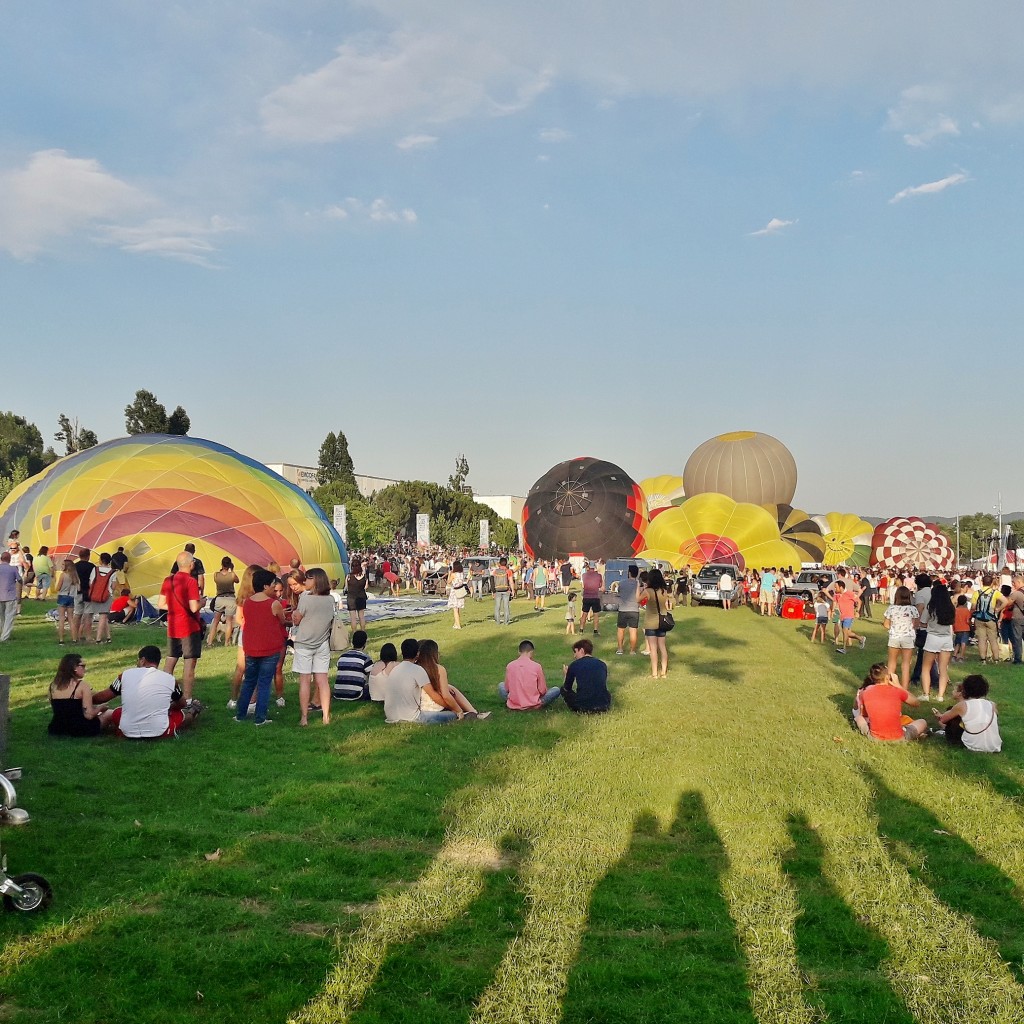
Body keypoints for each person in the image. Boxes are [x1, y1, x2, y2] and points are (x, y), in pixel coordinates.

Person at [97, 645, 200, 739]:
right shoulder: (169, 679)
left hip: (127, 732)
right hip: (160, 732)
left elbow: (104, 696)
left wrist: (89, 699)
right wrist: (168, 707)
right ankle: (193, 711)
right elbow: (182, 703)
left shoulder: (125, 675)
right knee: (179, 714)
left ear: (142, 660)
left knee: (118, 712)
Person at [235, 568, 286, 725]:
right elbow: (282, 621)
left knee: (249, 681)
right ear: (265, 586)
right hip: (269, 649)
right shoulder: (274, 604)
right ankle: (260, 717)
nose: (274, 587)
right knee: (264, 683)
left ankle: (240, 714)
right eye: (272, 584)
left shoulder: (247, 602)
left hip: (251, 648)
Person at [292, 567, 335, 725]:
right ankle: (326, 716)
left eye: (308, 578)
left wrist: (294, 614)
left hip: (304, 643)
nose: (305, 581)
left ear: (315, 580)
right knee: (323, 680)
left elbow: (297, 619)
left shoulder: (305, 598)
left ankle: (304, 717)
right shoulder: (330, 599)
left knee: (305, 681)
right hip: (322, 643)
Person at [161, 551, 204, 705]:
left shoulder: (168, 580)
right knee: (189, 663)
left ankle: (163, 694)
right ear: (191, 564)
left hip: (173, 626)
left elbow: (161, 604)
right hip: (189, 627)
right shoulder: (191, 581)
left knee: (171, 659)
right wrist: (202, 603)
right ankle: (187, 698)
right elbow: (193, 607)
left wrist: (175, 607)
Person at [383, 637, 457, 725]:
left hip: (390, 716)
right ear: (418, 654)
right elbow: (433, 695)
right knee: (452, 715)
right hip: (411, 717)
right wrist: (452, 708)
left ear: (402, 653)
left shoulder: (395, 669)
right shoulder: (417, 670)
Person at [853, 663, 928, 742]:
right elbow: (916, 702)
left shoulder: (864, 692)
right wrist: (899, 686)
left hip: (875, 738)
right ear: (887, 677)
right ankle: (918, 734)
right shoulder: (897, 691)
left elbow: (863, 714)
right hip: (899, 737)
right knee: (922, 722)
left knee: (859, 718)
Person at [416, 639, 488, 719]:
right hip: (436, 709)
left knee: (450, 687)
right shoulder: (438, 669)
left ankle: (473, 712)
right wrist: (457, 710)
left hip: (419, 708)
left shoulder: (415, 669)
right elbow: (446, 696)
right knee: (451, 691)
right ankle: (474, 713)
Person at [932, 675, 1002, 752]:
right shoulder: (992, 704)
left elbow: (943, 719)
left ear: (965, 689)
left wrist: (939, 716)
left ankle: (947, 734)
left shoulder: (963, 705)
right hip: (994, 745)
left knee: (953, 716)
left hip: (972, 744)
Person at [47, 653, 110, 737]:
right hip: (81, 728)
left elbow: (63, 709)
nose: (85, 669)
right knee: (109, 713)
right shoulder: (82, 685)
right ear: (74, 668)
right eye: (82, 666)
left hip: (57, 728)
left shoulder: (52, 686)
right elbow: (89, 715)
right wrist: (101, 707)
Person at [919, 582, 955, 702]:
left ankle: (926, 694)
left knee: (926, 668)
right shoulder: (950, 608)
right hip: (946, 639)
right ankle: (940, 696)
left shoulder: (931, 607)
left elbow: (923, 622)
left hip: (933, 637)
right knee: (943, 669)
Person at [499, 639, 560, 709]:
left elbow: (507, 688)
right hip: (533, 704)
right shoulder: (537, 666)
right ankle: (534, 704)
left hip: (514, 703)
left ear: (519, 651)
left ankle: (512, 702)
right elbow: (542, 690)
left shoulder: (510, 666)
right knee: (556, 690)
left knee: (501, 685)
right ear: (531, 652)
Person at [884, 586, 920, 691]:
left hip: (894, 637)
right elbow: (916, 624)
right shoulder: (913, 609)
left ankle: (889, 686)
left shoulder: (891, 608)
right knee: (906, 665)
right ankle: (904, 690)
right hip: (907, 637)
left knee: (891, 663)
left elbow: (886, 624)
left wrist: (893, 628)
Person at [562, 638, 611, 714]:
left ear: (581, 650)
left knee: (563, 690)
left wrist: (566, 675)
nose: (574, 656)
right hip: (604, 705)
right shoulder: (602, 664)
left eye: (575, 652)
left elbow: (567, 687)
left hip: (583, 706)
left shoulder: (575, 665)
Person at [641, 568, 673, 678]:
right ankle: (663, 672)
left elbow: (638, 600)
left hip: (651, 622)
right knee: (662, 647)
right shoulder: (664, 591)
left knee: (653, 649)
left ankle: (654, 673)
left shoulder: (648, 591)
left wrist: (639, 588)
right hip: (662, 621)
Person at [83, 551, 115, 643]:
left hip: (95, 595)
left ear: (101, 560)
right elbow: (113, 586)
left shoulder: (95, 569)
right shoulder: (113, 572)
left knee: (102, 617)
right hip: (106, 596)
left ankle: (108, 637)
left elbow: (91, 582)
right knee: (103, 616)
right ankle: (98, 639)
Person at [207, 557, 239, 647]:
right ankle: (227, 642)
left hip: (220, 598)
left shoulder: (216, 575)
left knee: (216, 621)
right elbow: (237, 581)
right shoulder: (232, 575)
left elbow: (216, 580)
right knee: (229, 622)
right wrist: (231, 570)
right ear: (230, 564)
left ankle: (210, 642)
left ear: (221, 564)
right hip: (230, 598)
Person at [971, 573, 1002, 665]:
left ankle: (983, 659)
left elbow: (973, 607)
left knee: (981, 640)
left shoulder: (977, 593)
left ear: (982, 582)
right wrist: (998, 609)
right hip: (991, 618)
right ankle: (996, 659)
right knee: (993, 640)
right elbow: (1005, 601)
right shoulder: (995, 592)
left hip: (979, 618)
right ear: (992, 583)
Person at [334, 629, 373, 701]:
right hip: (356, 694)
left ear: (352, 642)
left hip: (338, 693)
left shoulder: (342, 657)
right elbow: (371, 676)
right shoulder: (365, 658)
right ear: (365, 644)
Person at [831, 580, 865, 654]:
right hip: (842, 616)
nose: (835, 589)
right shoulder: (837, 595)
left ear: (841, 587)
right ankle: (861, 638)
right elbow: (834, 602)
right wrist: (833, 611)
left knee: (844, 631)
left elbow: (859, 601)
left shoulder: (849, 593)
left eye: (836, 587)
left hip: (849, 615)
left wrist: (857, 611)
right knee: (848, 633)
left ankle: (844, 648)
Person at [71, 547, 96, 643]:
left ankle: (75, 636)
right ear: (88, 556)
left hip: (77, 592)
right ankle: (88, 636)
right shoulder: (92, 567)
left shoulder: (74, 566)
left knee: (77, 614)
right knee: (88, 615)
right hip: (89, 592)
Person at [615, 564, 641, 655]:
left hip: (623, 609)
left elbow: (619, 592)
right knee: (633, 631)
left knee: (620, 630)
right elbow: (638, 597)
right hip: (634, 609)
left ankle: (620, 649)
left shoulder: (622, 583)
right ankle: (632, 650)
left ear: (629, 573)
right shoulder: (638, 584)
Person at [55, 558, 79, 643]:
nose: (61, 566)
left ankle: (61, 639)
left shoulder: (63, 575)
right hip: (71, 597)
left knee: (61, 618)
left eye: (63, 565)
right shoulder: (75, 576)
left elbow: (58, 588)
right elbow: (78, 588)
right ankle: (74, 639)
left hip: (62, 596)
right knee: (71, 619)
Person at [1002, 574, 1024, 665]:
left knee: (1017, 639)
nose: (1013, 585)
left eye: (1014, 583)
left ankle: (1018, 659)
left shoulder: (1016, 593)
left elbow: (1007, 603)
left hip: (1018, 618)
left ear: (1019, 582)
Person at [579, 562, 603, 635]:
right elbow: (600, 585)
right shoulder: (599, 575)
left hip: (586, 596)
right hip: (595, 597)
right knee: (596, 614)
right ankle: (595, 630)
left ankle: (581, 629)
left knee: (584, 613)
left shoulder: (584, 575)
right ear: (595, 567)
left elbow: (583, 586)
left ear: (588, 567)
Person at [345, 558, 369, 631]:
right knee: (361, 616)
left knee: (353, 618)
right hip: (361, 597)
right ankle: (363, 631)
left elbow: (346, 587)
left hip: (351, 598)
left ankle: (354, 633)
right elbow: (366, 587)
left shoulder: (349, 576)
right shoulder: (364, 576)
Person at [0, 551, 18, 643]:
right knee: (9, 616)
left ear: (1, 559)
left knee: (1, 616)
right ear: (10, 559)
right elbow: (19, 579)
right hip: (10, 596)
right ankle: (4, 637)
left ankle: (1, 632)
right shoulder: (13, 569)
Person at [446, 560, 468, 629]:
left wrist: (449, 574)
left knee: (455, 609)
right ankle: (456, 623)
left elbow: (448, 582)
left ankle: (458, 625)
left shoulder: (453, 574)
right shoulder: (461, 574)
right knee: (458, 608)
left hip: (454, 592)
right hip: (460, 590)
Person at [492, 557, 512, 625]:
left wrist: (493, 591)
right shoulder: (508, 571)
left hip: (497, 590)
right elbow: (511, 581)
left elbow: (493, 581)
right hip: (506, 590)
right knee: (506, 606)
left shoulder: (495, 571)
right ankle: (506, 622)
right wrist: (512, 590)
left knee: (497, 606)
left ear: (499, 563)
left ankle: (497, 621)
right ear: (506, 563)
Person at [953, 594, 972, 663]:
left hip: (957, 628)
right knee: (963, 642)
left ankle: (954, 656)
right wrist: (971, 625)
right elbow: (968, 621)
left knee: (957, 643)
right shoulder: (966, 610)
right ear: (965, 602)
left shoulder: (955, 610)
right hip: (965, 628)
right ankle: (961, 656)